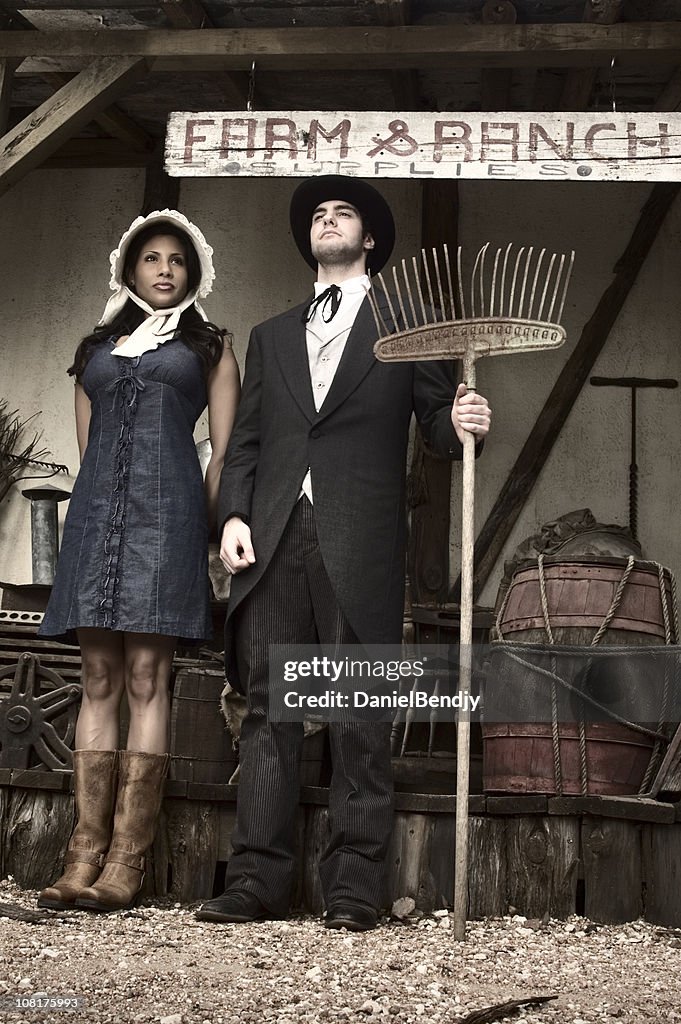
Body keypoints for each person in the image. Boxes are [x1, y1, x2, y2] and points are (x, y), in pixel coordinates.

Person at [196, 176, 491, 931]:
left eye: (343, 212)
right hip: (270, 538)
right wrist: (232, 514)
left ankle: (354, 888)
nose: (327, 218)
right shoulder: (269, 334)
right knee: (267, 712)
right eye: (318, 213)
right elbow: (249, 441)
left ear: (367, 239)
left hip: (359, 539)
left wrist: (464, 419)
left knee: (359, 713)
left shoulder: (411, 325)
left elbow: (433, 430)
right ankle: (255, 882)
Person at [37, 209, 240, 912]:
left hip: (169, 519)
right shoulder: (94, 349)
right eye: (151, 258)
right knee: (97, 673)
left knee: (148, 675)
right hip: (97, 520)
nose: (163, 270)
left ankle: (126, 862)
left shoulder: (211, 347)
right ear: (129, 270)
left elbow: (223, 449)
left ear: (192, 273)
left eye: (176, 261)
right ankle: (80, 855)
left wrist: (212, 530)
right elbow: (89, 451)